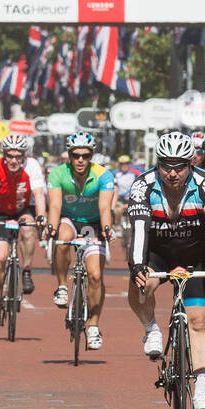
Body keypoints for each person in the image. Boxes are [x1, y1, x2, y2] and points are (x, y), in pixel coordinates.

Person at [126, 132, 205, 409]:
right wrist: (136, 266)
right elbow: (138, 233)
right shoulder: (142, 186)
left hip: (196, 255)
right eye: (166, 165)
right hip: (158, 252)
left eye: (180, 166)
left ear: (190, 163)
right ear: (157, 163)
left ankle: (202, 391)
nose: (172, 173)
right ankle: (151, 329)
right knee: (139, 285)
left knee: (197, 322)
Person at [45, 132, 115, 350]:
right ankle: (63, 286)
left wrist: (106, 229)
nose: (80, 160)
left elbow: (105, 207)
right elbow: (55, 206)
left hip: (93, 224)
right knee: (63, 238)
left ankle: (93, 325)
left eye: (85, 155)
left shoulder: (103, 175)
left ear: (91, 155)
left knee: (95, 275)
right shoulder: (57, 174)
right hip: (69, 220)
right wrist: (51, 227)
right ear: (69, 155)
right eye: (75, 155)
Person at [0, 134, 46, 325]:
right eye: (10, 156)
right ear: (4, 155)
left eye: (18, 156)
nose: (14, 160)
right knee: (0, 257)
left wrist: (41, 216)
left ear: (24, 156)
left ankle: (26, 271)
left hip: (22, 209)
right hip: (0, 213)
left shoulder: (32, 166)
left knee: (28, 230)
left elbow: (39, 194)